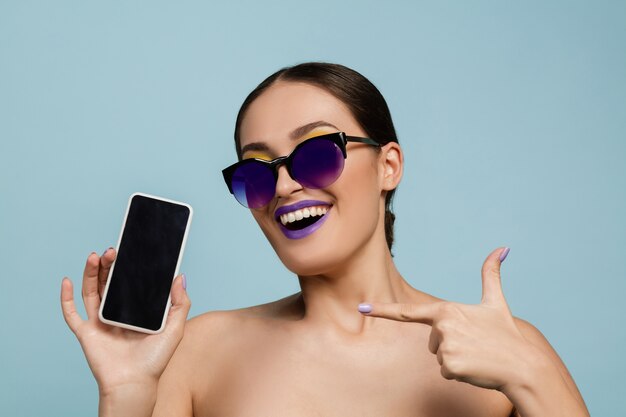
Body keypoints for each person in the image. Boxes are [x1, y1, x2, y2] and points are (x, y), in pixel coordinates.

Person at [60, 62, 590, 416]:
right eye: (258, 172)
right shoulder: (197, 351)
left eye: (316, 154)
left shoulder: (503, 347)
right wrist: (127, 394)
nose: (286, 184)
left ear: (389, 166)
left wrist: (533, 375)